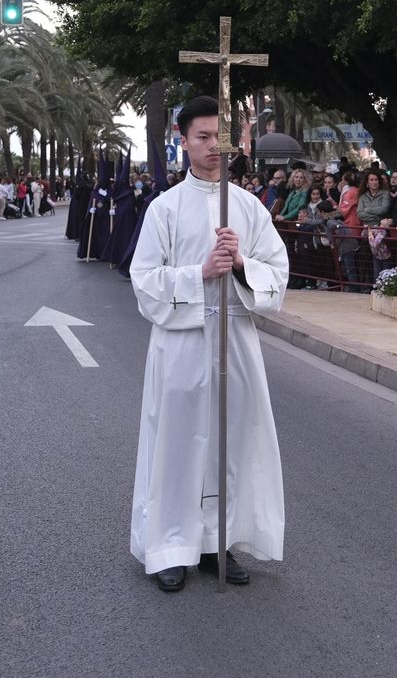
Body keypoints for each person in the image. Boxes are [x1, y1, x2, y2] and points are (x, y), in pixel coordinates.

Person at [128, 95, 289, 593]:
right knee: (178, 442)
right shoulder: (164, 208)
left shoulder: (247, 207)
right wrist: (199, 274)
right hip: (183, 344)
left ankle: (217, 541)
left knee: (231, 442)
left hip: (235, 340)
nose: (213, 147)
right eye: (202, 137)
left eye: (220, 138)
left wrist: (241, 264)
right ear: (183, 140)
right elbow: (143, 279)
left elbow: (278, 274)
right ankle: (170, 546)